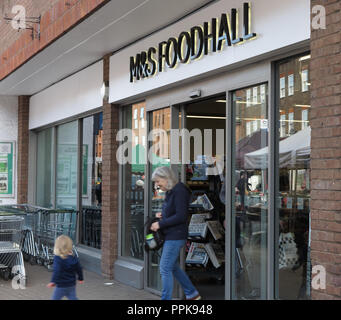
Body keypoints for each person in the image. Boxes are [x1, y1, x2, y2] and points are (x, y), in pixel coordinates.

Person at [150, 166, 201, 300]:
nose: (156, 185)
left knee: (164, 268)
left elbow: (181, 216)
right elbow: (175, 213)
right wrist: (163, 215)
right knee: (172, 267)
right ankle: (192, 293)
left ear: (166, 178)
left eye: (158, 181)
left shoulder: (179, 191)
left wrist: (160, 224)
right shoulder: (171, 191)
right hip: (172, 234)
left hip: (176, 235)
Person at [47, 235, 84, 300]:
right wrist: (80, 278)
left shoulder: (58, 258)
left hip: (61, 285)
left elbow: (57, 271)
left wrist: (53, 281)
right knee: (73, 297)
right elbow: (79, 268)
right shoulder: (73, 257)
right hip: (71, 284)